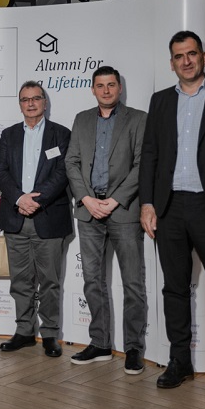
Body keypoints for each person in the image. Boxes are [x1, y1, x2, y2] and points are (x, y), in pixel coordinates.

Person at [138, 31, 205, 400]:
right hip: (169, 209)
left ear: (203, 57)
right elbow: (150, 154)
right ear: (171, 63)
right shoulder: (161, 101)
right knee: (174, 288)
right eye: (178, 56)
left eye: (191, 54)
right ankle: (179, 360)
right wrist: (148, 203)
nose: (185, 61)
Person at [65, 65, 148, 372]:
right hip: (89, 211)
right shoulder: (81, 119)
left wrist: (114, 200)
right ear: (93, 89)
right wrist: (87, 199)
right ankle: (100, 343)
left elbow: (141, 165)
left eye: (111, 85)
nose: (106, 90)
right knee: (92, 281)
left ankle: (134, 348)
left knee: (133, 283)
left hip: (123, 210)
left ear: (119, 88)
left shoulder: (138, 119)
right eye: (100, 85)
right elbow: (71, 162)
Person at [0, 81, 72, 358]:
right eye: (25, 99)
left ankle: (50, 334)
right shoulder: (9, 134)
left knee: (50, 280)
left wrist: (36, 200)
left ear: (44, 102)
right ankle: (24, 331)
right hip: (16, 216)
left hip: (48, 216)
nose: (30, 103)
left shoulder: (61, 134)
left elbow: (63, 172)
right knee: (20, 280)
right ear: (20, 104)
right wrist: (19, 198)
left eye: (36, 98)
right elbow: (1, 171)